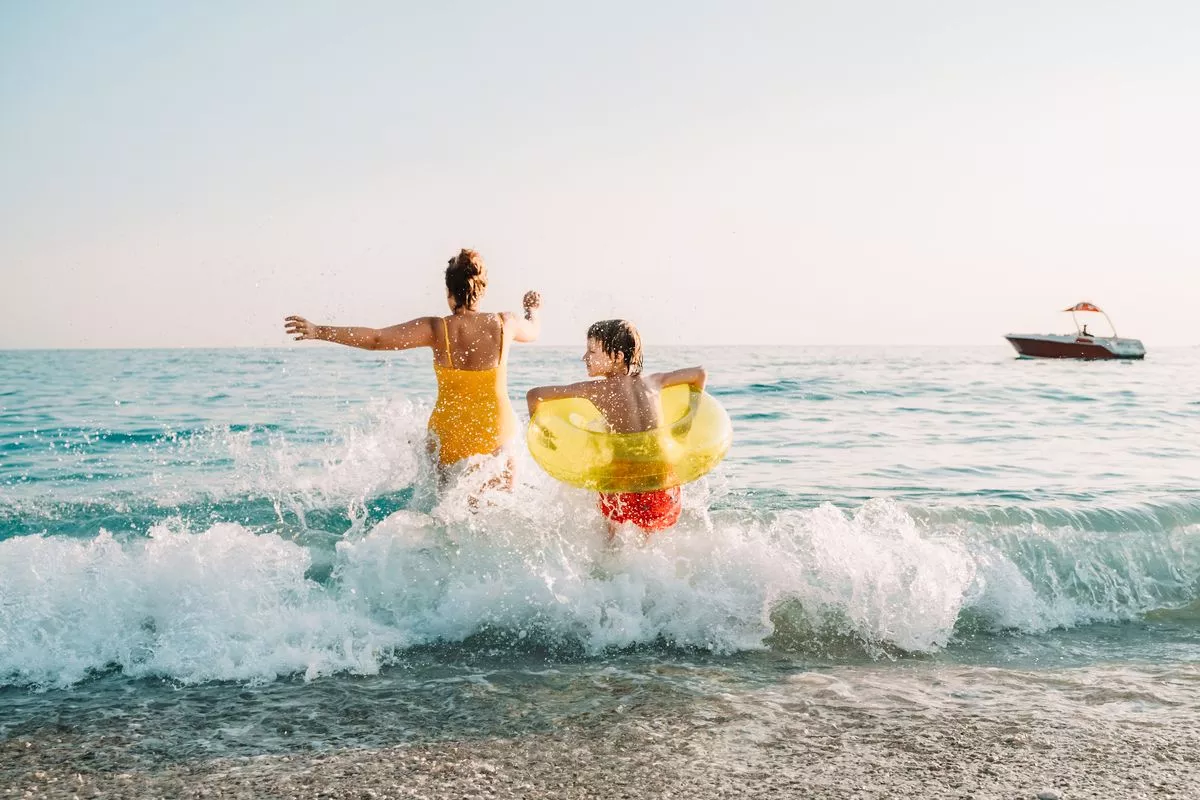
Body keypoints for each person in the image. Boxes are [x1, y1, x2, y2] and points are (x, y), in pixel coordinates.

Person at [285, 249, 541, 487]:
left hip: (448, 436)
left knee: (445, 517)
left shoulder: (436, 329)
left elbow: (376, 339)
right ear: (482, 290)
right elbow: (534, 331)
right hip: (495, 432)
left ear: (448, 293)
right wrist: (532, 310)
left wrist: (318, 330)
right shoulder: (506, 323)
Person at [525, 319, 706, 537]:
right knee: (651, 543)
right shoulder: (655, 382)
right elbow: (700, 373)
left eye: (592, 352)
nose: (585, 357)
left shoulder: (598, 389)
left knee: (611, 539)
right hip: (661, 481)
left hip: (622, 481)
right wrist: (688, 421)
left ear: (618, 357)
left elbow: (534, 395)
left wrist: (544, 434)